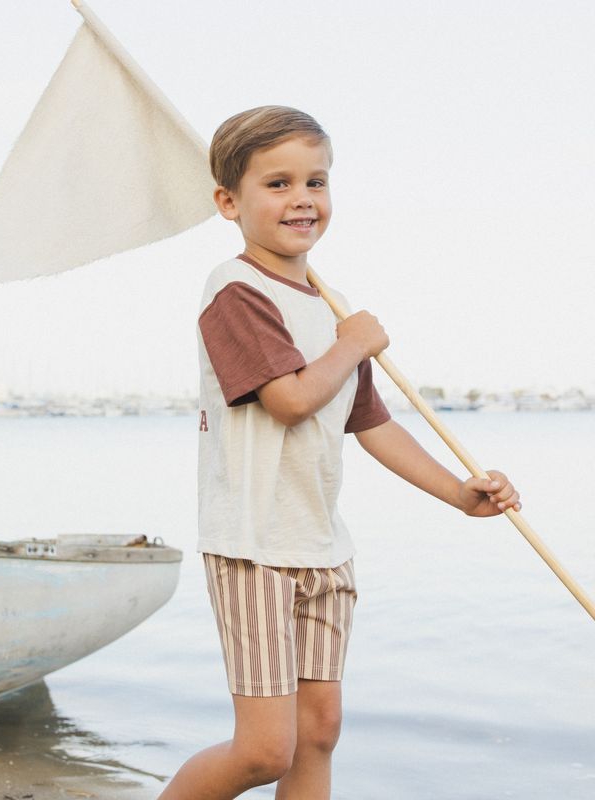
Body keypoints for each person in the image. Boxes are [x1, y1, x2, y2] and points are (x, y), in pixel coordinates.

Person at [158, 105, 521, 800]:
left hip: (322, 545)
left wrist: (458, 493)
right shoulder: (235, 290)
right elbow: (290, 400)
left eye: (316, 182)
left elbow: (370, 421)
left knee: (318, 732)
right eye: (278, 184)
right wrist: (353, 343)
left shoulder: (330, 304)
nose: (302, 200)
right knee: (265, 749)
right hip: (255, 547)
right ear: (228, 202)